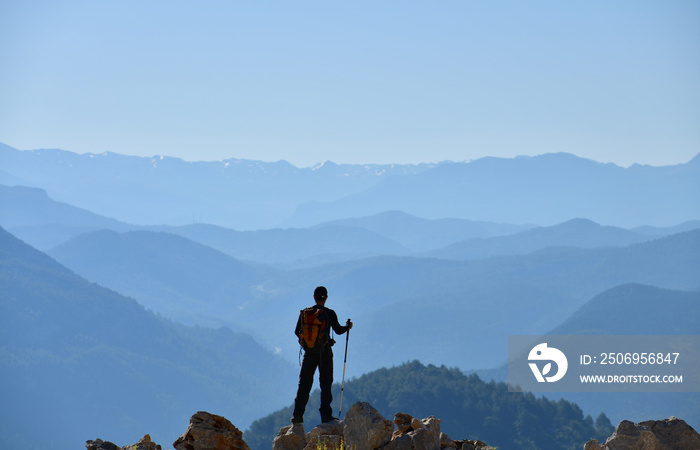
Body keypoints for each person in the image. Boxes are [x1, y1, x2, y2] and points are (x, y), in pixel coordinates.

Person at [292, 286, 353, 424]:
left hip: (309, 354)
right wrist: (347, 327)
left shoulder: (305, 313)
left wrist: (308, 343)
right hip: (324, 353)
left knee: (304, 385)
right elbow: (338, 330)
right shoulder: (329, 313)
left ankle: (297, 416)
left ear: (314, 297)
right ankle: (326, 415)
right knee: (326, 384)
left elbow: (297, 332)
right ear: (326, 297)